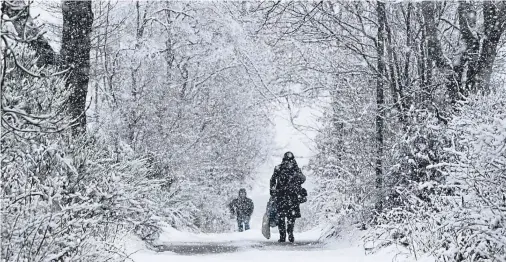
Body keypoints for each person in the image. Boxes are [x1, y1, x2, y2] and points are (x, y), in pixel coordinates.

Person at [270, 151, 307, 243]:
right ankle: (282, 235)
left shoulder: (296, 169)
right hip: (281, 195)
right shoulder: (278, 168)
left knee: (291, 217)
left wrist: (297, 176)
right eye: (287, 160)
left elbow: (302, 179)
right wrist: (273, 190)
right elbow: (272, 180)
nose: (289, 163)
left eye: (290, 161)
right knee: (281, 217)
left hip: (292, 196)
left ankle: (290, 233)